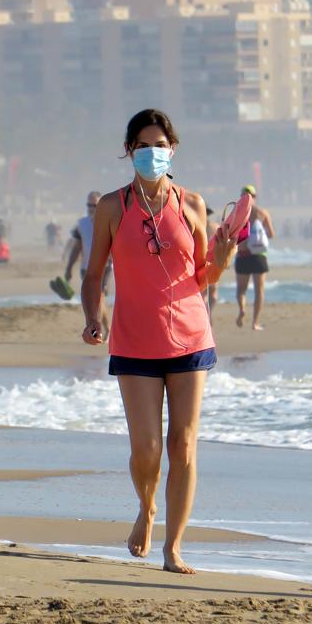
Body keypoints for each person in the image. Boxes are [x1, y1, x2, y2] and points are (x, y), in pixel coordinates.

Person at [81, 109, 237, 575]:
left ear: (173, 149)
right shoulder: (113, 207)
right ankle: (146, 508)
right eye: (144, 145)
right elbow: (93, 276)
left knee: (183, 445)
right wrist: (93, 317)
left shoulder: (192, 204)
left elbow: (204, 275)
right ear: (130, 150)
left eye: (161, 145)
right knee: (146, 449)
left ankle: (174, 548)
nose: (153, 153)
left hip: (190, 335)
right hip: (133, 341)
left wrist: (224, 257)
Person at [65, 191, 112, 337]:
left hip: (105, 266)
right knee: (91, 301)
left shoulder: (109, 221)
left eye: (94, 205)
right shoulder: (82, 224)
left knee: (100, 297)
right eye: (89, 205)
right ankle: (99, 330)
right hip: (86, 268)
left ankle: (106, 331)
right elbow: (77, 247)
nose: (91, 208)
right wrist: (69, 267)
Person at [234, 185, 275, 331]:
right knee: (259, 291)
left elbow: (231, 235)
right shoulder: (262, 213)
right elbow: (271, 234)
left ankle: (241, 310)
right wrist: (259, 234)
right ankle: (255, 323)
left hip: (243, 255)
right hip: (258, 256)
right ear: (255, 197)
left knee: (241, 290)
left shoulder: (237, 214)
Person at [204, 206, 219, 313]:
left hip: (212, 263)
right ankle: (207, 316)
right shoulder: (194, 226)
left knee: (212, 294)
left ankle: (208, 315)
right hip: (204, 263)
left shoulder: (215, 227)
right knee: (206, 293)